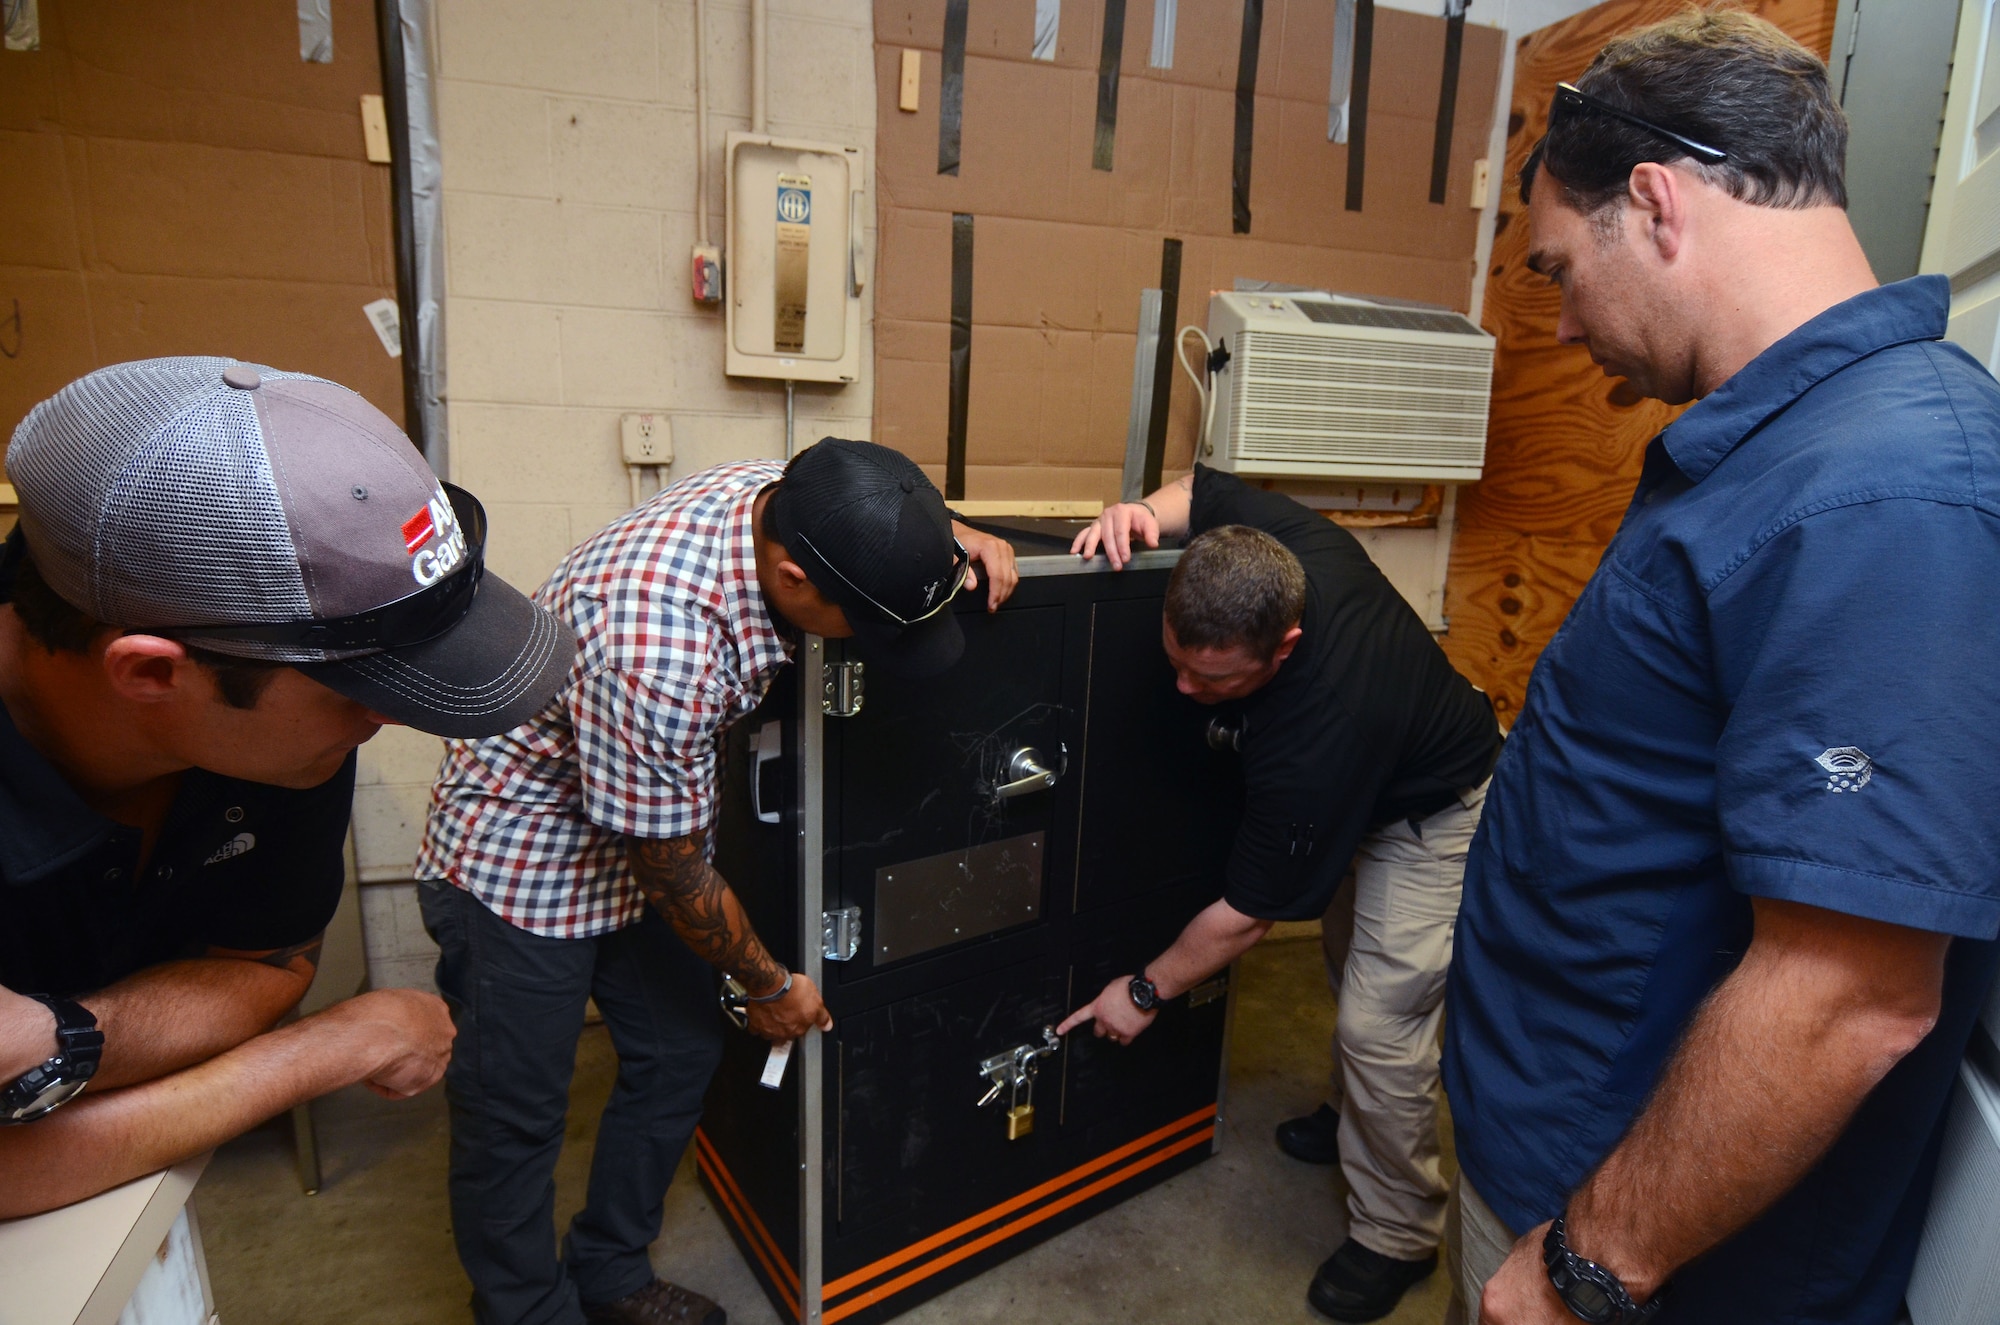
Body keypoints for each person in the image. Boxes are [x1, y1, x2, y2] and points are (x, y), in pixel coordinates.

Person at [1441, 15, 2000, 1325]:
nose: (1567, 324)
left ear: (1657, 202)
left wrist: (1586, 1266)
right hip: (1559, 1157)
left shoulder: (1886, 490)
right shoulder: (1785, 450)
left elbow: (1846, 994)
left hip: (1644, 1257)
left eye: (1564, 270)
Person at [417, 439, 1019, 1325]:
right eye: (871, 620)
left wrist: (936, 544)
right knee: (516, 1118)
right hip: (523, 860)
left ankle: (611, 1270)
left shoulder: (788, 496)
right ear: (792, 577)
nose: (879, 642)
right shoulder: (656, 645)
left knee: (678, 1053)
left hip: (638, 831)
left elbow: (865, 500)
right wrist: (769, 984)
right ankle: (525, 1311)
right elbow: (672, 870)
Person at [0, 356, 575, 1218]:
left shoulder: (277, 735)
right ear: (153, 674)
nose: (385, 723)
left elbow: (265, 967)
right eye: (362, 693)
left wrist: (61, 1046)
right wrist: (331, 1047)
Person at [1059, 467, 1502, 1322]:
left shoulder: (1320, 728)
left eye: (1213, 681)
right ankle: (1351, 1118)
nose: (1187, 691)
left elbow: (1244, 916)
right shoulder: (1269, 545)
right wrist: (1141, 512)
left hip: (1430, 809)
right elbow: (1202, 487)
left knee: (1382, 1024)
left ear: (1285, 644)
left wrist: (1145, 990)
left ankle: (1398, 1232)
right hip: (1368, 777)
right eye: (1177, 662)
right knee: (1348, 962)